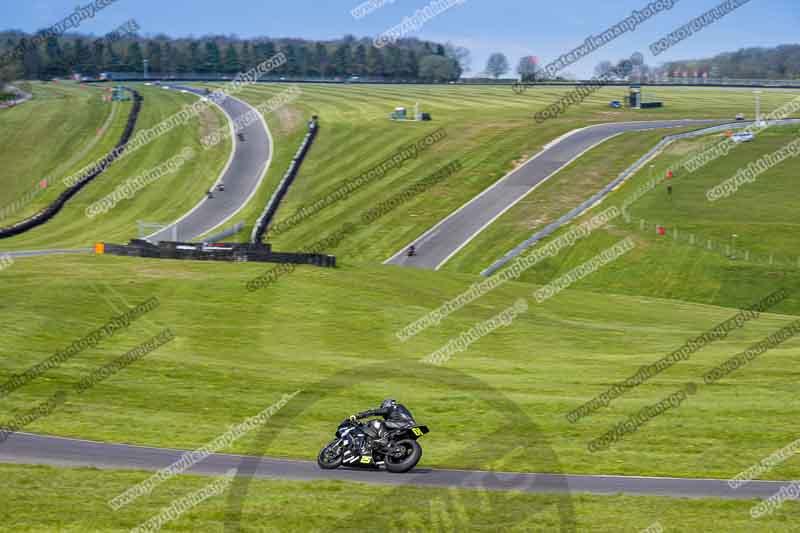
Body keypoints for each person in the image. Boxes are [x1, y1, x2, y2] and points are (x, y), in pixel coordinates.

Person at [350, 399, 416, 447]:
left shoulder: (390, 408)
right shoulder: (400, 408)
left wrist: (358, 416)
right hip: (410, 425)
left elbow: (373, 412)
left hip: (403, 424)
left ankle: (384, 439)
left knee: (377, 422)